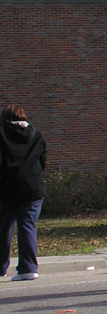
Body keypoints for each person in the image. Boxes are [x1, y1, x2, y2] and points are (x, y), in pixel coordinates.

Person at [0, 105, 47, 281]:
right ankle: (28, 268)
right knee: (27, 225)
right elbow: (43, 161)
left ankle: (1, 267)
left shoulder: (2, 133)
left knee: (4, 228)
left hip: (6, 188)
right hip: (33, 188)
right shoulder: (36, 135)